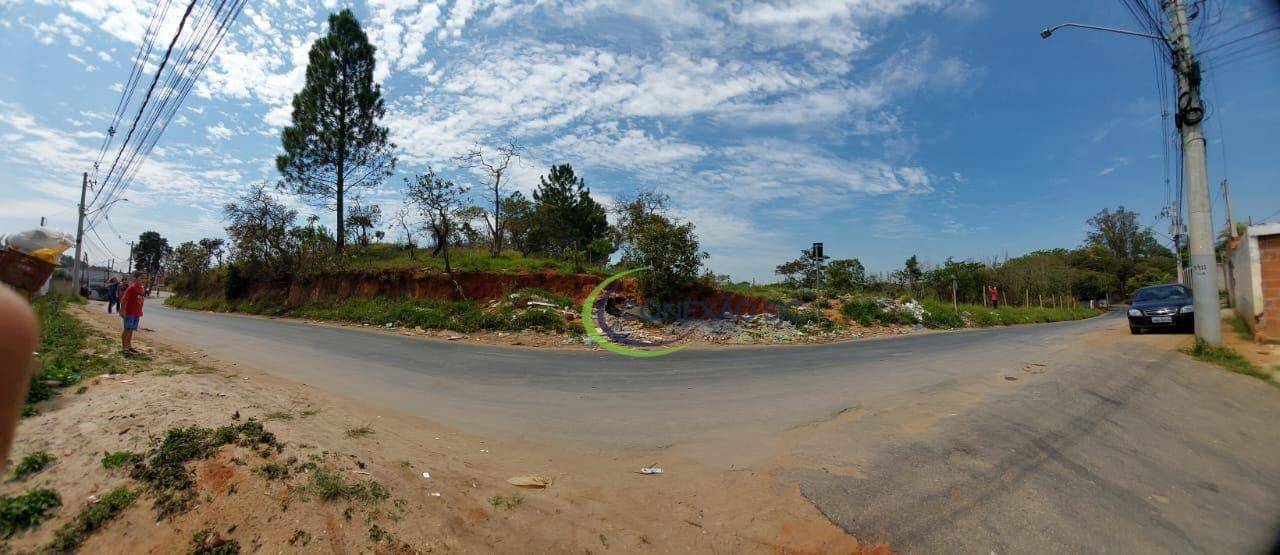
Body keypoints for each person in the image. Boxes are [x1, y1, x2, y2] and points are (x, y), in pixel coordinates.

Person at [119, 271, 148, 355]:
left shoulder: (142, 289)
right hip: (129, 313)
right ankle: (124, 348)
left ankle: (129, 346)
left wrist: (140, 311)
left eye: (145, 278)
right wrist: (122, 310)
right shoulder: (131, 288)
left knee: (131, 330)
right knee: (127, 329)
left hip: (136, 313)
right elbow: (124, 300)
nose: (144, 280)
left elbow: (140, 301)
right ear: (135, 279)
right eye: (141, 278)